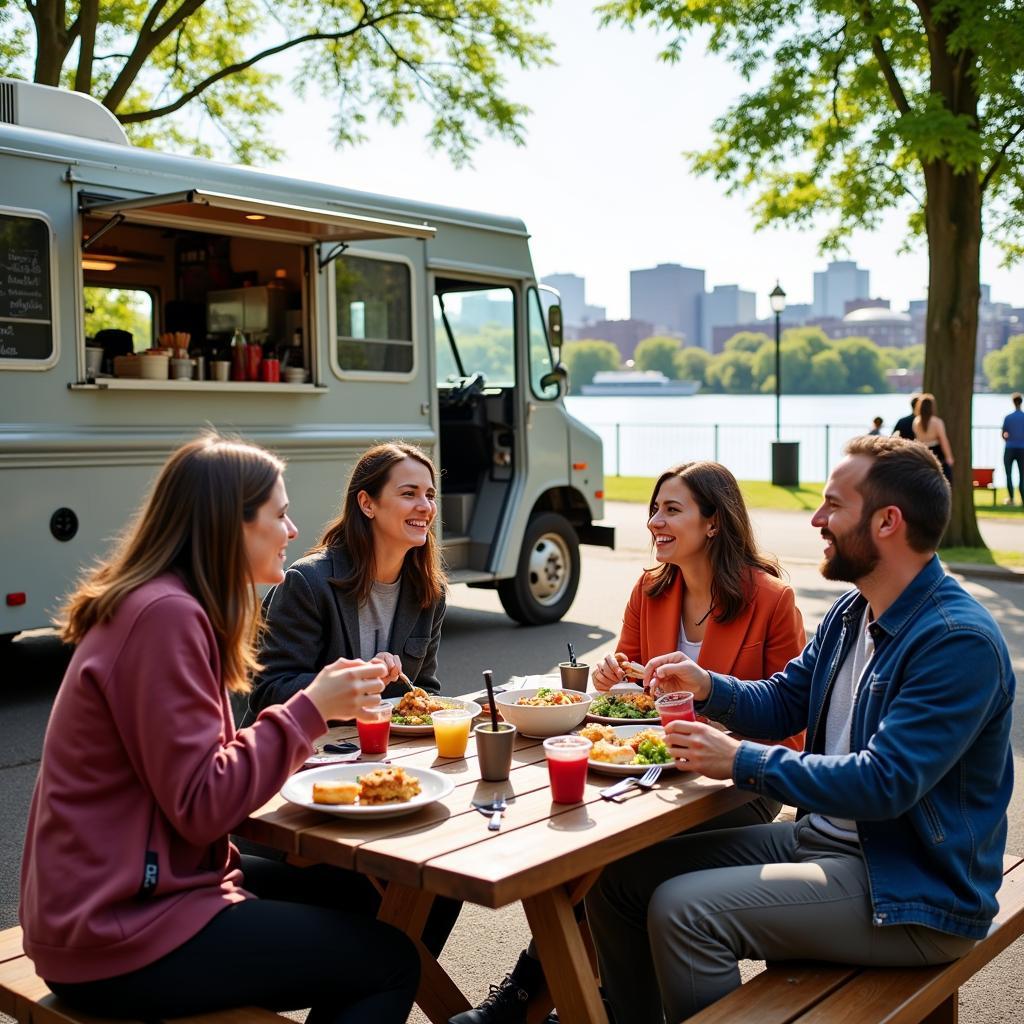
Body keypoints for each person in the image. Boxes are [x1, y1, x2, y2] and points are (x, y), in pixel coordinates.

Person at [586, 436, 1014, 1024]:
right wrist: (709, 684)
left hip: (913, 890)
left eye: (833, 506)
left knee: (683, 911)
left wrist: (738, 759)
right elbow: (787, 698)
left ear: (887, 522)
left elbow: (884, 783)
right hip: (829, 844)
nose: (816, 519)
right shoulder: (853, 612)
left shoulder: (954, 640)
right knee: (620, 882)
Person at [19, 435, 420, 1022]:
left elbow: (196, 768)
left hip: (135, 889)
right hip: (120, 927)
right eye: (279, 514)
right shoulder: (165, 616)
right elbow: (204, 805)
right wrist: (310, 708)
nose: (291, 530)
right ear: (229, 525)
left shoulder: (163, 604)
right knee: (389, 961)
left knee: (366, 895)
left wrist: (307, 713)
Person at [452, 461, 807, 1024]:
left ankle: (559, 1003)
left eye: (672, 509)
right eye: (653, 508)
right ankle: (579, 1001)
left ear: (713, 522)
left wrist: (725, 737)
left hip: (733, 786)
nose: (654, 522)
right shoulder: (650, 589)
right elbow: (628, 694)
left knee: (611, 863)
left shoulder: (771, 599)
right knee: (574, 848)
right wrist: (611, 675)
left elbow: (792, 728)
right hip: (646, 771)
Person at [246, 441, 447, 719]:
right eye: (409, 494)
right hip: (303, 753)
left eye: (430, 495)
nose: (425, 506)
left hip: (384, 752)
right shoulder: (308, 582)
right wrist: (356, 681)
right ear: (367, 504)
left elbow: (424, 690)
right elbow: (268, 692)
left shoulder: (431, 592)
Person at [912, 392, 954, 482]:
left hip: (922, 453)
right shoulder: (937, 422)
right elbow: (943, 441)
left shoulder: (916, 421)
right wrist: (949, 457)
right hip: (937, 454)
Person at [1002, 392, 1024, 505]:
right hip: (1022, 449)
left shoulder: (1008, 418)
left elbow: (1004, 434)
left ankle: (1011, 499)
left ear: (1013, 403)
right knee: (1022, 475)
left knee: (1008, 474)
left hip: (1009, 448)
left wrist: (1008, 440)